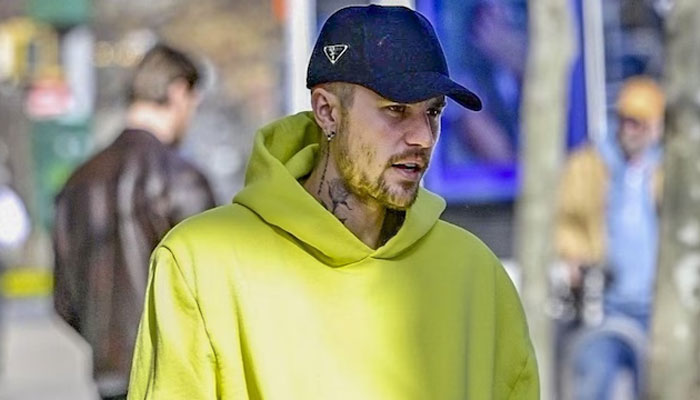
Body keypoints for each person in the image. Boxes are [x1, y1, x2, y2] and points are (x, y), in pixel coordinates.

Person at [128, 6, 538, 399]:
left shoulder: (477, 274)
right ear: (326, 111)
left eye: (432, 113)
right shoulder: (202, 262)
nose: (423, 137)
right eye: (396, 110)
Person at [53, 43, 216, 400]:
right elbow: (213, 290)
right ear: (178, 92)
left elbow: (64, 300)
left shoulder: (77, 182)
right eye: (193, 103)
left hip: (109, 378)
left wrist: (106, 344)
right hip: (175, 379)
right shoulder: (182, 179)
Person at [555, 76, 665, 399]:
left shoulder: (671, 168)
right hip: (605, 305)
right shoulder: (590, 165)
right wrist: (574, 259)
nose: (630, 130)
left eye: (639, 123)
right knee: (592, 385)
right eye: (626, 120)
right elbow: (567, 220)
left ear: (657, 126)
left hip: (658, 308)